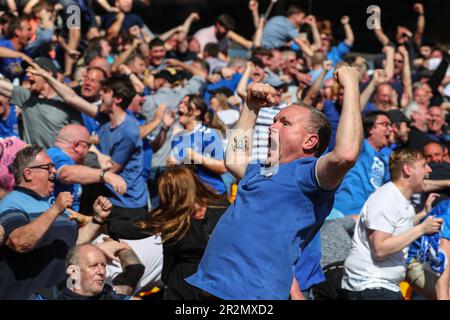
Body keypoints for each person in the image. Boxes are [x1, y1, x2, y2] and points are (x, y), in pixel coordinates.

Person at [186, 65, 363, 299]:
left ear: (310, 141)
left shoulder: (309, 175)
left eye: (284, 123)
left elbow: (346, 154)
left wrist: (351, 84)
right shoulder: (263, 167)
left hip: (252, 294)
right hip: (213, 285)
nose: (272, 126)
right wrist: (251, 106)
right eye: (275, 120)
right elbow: (234, 159)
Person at [27, 66, 149, 240]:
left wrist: (95, 154)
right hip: (108, 197)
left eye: (105, 92)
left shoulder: (129, 131)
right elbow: (71, 97)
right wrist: (47, 75)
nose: (100, 94)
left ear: (118, 99)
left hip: (127, 203)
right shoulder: (104, 117)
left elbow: (111, 169)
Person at [0, 145, 112, 299]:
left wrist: (97, 219)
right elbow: (19, 242)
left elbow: (73, 243)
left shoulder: (53, 203)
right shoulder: (11, 203)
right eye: (48, 167)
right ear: (28, 173)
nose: (54, 171)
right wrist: (55, 210)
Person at [341, 148, 443, 300]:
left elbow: (394, 227)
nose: (428, 170)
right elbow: (380, 249)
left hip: (380, 287)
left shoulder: (399, 199)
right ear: (407, 169)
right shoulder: (387, 198)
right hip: (371, 287)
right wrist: (421, 229)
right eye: (423, 165)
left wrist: (422, 215)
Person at [136, 166, 228, 300]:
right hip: (181, 286)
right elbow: (168, 257)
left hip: (214, 285)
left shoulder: (220, 210)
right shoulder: (173, 221)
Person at [0, 57, 83, 148]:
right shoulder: (26, 97)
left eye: (33, 71)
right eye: (27, 71)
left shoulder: (66, 103)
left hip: (58, 160)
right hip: (33, 160)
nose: (28, 74)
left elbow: (79, 137)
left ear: (47, 73)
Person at [47, 124, 126, 211]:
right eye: (88, 146)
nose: (88, 151)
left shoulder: (64, 157)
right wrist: (105, 175)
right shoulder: (57, 155)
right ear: (77, 145)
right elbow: (65, 174)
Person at [31, 243, 144, 300]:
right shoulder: (47, 297)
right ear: (73, 272)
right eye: (93, 266)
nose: (101, 271)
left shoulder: (110, 296)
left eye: (103, 266)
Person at [333, 111, 392, 217]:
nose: (390, 129)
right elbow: (351, 120)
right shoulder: (359, 146)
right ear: (370, 129)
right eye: (385, 124)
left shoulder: (386, 160)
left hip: (365, 218)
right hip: (342, 213)